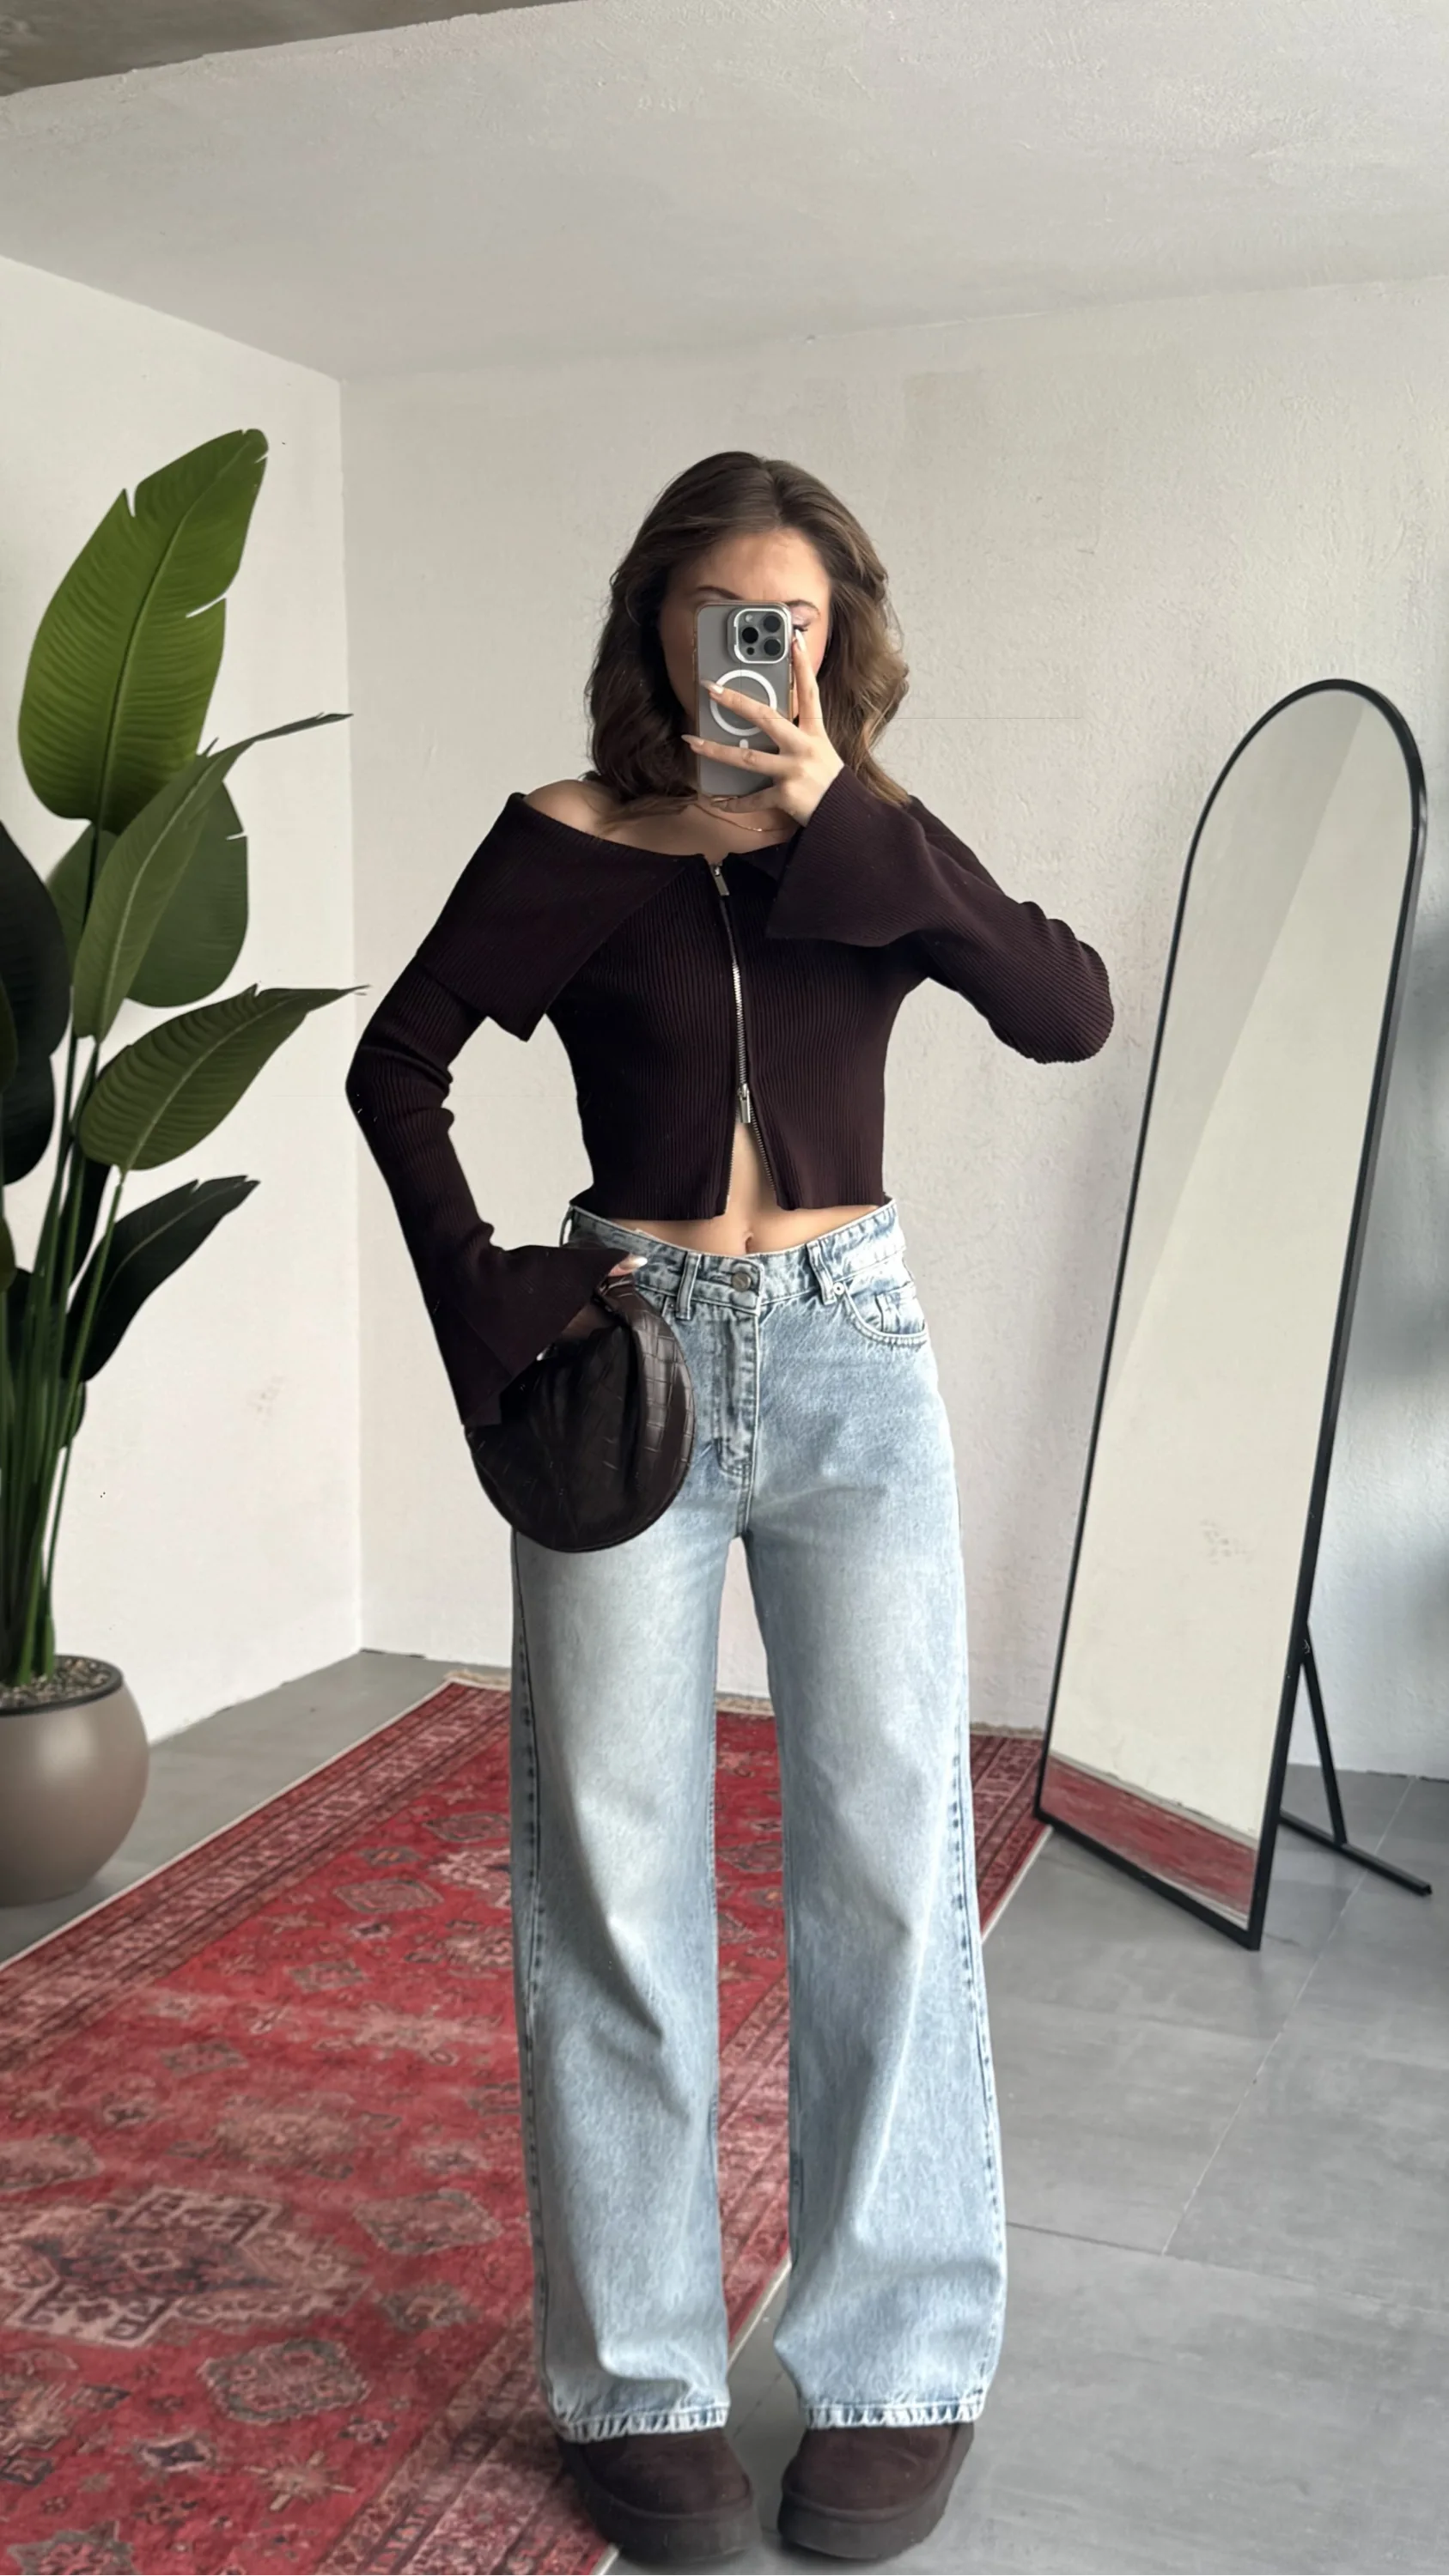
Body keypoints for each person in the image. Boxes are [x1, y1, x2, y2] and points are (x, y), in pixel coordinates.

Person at [344, 451, 1114, 2564]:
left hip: (857, 1353)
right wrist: (491, 1296)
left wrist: (850, 812)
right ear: (658, 629)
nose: (757, 651)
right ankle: (639, 2378)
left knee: (887, 1856)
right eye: (722, 616)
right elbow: (395, 1066)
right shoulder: (568, 841)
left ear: (838, 641)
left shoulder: (870, 844)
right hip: (631, 1364)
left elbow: (1065, 1009)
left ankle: (899, 2361)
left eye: (795, 619)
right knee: (611, 1874)